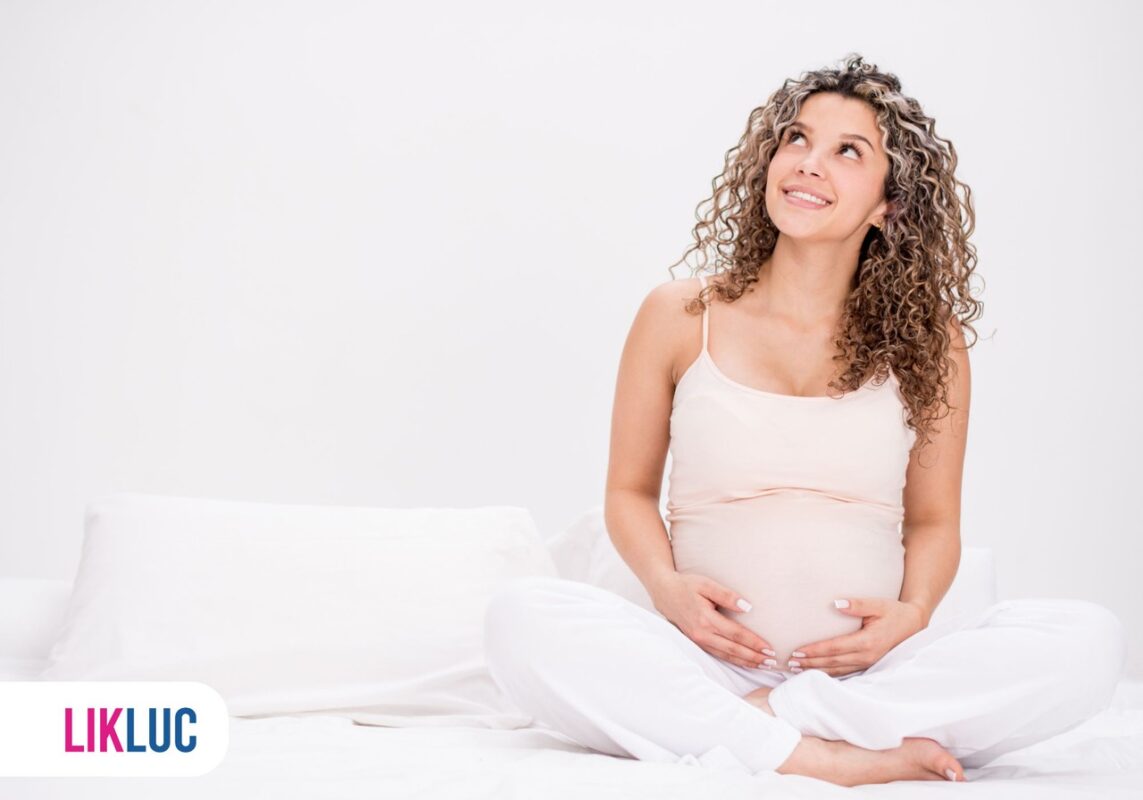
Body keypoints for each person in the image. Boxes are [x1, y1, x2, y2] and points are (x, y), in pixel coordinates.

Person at [482, 53, 1126, 787]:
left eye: (847, 151)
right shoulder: (678, 315)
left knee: (1087, 642)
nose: (806, 163)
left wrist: (912, 614)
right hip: (702, 662)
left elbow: (932, 521)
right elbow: (629, 492)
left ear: (891, 203)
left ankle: (770, 726)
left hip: (872, 675)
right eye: (795, 139)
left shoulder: (929, 341)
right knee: (521, 617)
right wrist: (665, 590)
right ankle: (822, 754)